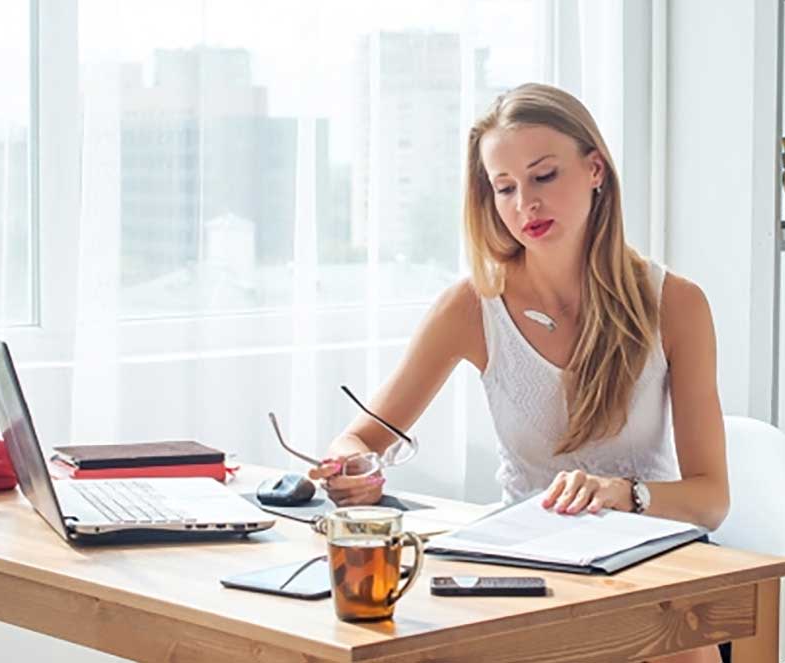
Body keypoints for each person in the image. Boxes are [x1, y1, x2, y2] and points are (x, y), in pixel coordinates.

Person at [309, 82, 729, 663]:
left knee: (677, 646)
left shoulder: (675, 304)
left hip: (643, 560)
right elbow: (360, 438)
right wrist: (351, 465)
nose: (524, 204)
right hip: (523, 571)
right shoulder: (471, 307)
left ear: (595, 170)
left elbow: (711, 500)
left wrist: (620, 494)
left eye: (543, 177)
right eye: (504, 187)